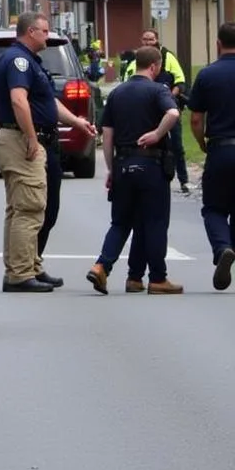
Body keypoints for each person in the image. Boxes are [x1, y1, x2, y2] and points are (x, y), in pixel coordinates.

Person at [0, 11, 98, 292]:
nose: (47, 36)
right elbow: (19, 100)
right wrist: (30, 137)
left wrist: (77, 122)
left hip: (26, 138)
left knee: (23, 208)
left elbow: (48, 103)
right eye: (44, 31)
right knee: (29, 208)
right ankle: (19, 274)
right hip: (20, 140)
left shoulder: (30, 62)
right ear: (30, 32)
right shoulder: (18, 61)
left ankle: (30, 266)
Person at [85, 45, 183, 295]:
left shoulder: (117, 94)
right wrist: (157, 134)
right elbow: (172, 112)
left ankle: (107, 268)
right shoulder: (157, 90)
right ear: (155, 66)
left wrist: (110, 169)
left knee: (121, 222)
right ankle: (158, 279)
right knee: (155, 222)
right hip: (151, 165)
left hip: (123, 166)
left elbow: (107, 136)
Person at [187, 21, 235, 290]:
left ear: (218, 44)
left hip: (220, 147)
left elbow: (195, 119)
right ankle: (231, 249)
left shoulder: (207, 75)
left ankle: (222, 247)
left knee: (214, 208)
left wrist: (202, 143)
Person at [123, 27, 189, 193]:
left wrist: (168, 98)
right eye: (145, 39)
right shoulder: (135, 61)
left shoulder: (168, 57)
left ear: (157, 40)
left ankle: (183, 180)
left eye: (151, 39)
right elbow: (126, 85)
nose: (148, 42)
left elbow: (180, 82)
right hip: (145, 111)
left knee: (176, 145)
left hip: (167, 108)